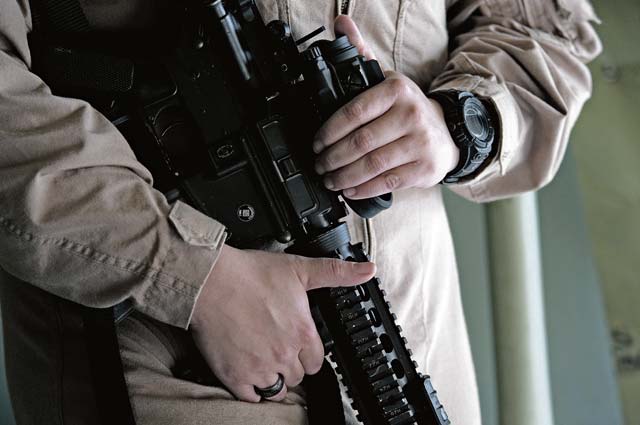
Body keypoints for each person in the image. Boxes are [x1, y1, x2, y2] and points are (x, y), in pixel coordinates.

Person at [0, 0, 601, 424]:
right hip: (171, 355)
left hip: (410, 342)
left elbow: (541, 28)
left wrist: (461, 126)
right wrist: (186, 271)